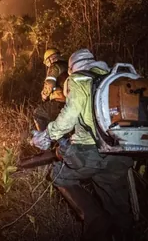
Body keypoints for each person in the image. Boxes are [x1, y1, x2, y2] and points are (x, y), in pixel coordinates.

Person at [31, 49, 134, 241]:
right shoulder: (111, 78)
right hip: (120, 152)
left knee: (58, 175)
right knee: (117, 204)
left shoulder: (77, 79)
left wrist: (46, 136)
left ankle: (96, 219)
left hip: (90, 153)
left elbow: (69, 115)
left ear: (71, 68)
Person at [33, 48, 68, 131]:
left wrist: (44, 95)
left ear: (50, 59)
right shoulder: (68, 65)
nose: (47, 65)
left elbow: (49, 83)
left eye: (47, 62)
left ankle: (44, 141)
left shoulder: (54, 66)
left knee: (38, 113)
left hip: (60, 101)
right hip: (72, 102)